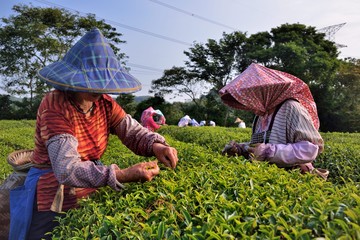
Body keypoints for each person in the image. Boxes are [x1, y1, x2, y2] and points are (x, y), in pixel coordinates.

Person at [9, 28, 178, 240]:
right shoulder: (55, 105)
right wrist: (122, 175)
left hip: (88, 187)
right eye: (91, 82)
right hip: (52, 194)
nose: (98, 89)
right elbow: (66, 168)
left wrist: (157, 145)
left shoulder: (105, 104)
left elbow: (132, 131)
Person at [219, 63, 328, 180]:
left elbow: (309, 150)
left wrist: (269, 152)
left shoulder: (291, 107)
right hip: (268, 179)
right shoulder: (261, 115)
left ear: (267, 92)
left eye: (254, 93)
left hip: (292, 181)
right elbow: (260, 146)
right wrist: (242, 148)